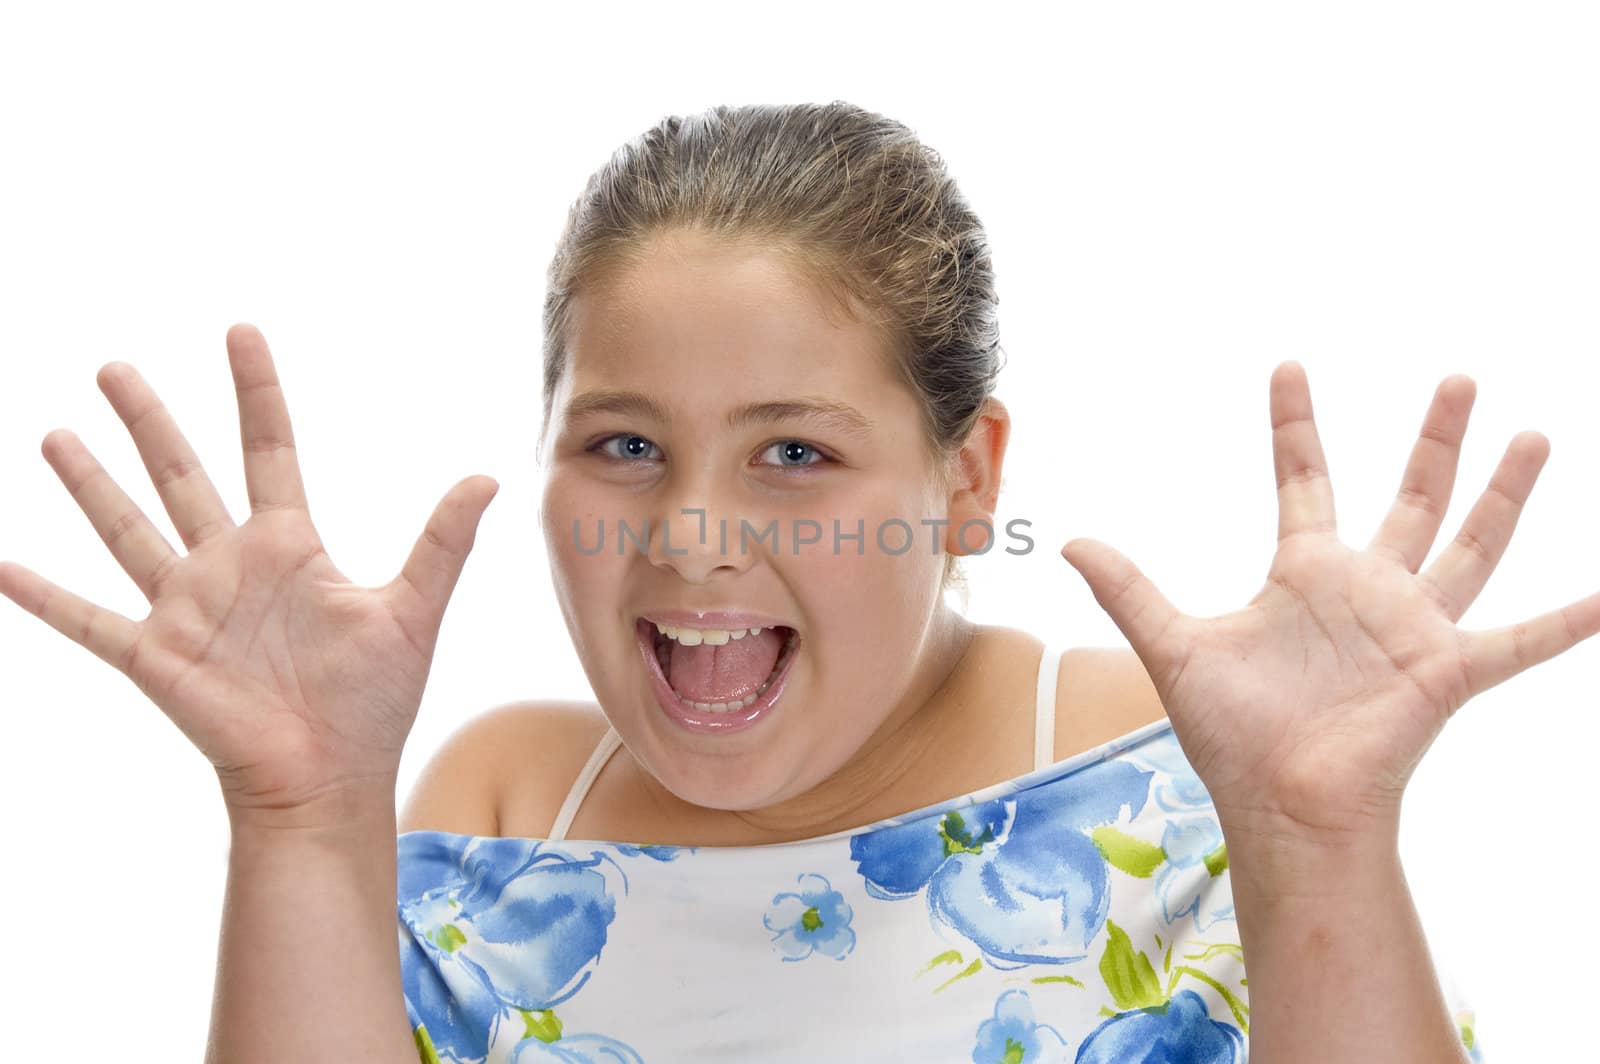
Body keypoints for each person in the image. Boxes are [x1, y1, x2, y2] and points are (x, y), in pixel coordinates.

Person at [14, 99, 1581, 1062]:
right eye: (625, 445)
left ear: (964, 483)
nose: (693, 534)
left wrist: (1318, 845)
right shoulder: (496, 803)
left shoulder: (1183, 771)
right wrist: (297, 821)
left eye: (794, 456)